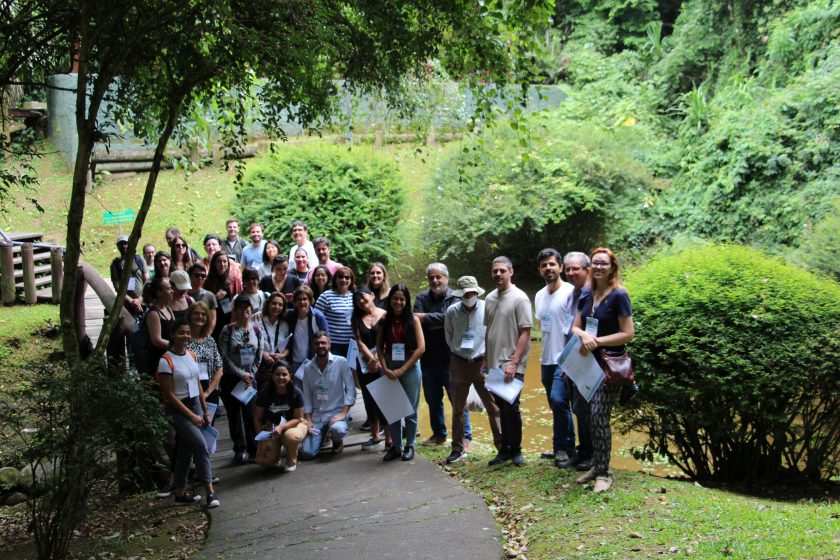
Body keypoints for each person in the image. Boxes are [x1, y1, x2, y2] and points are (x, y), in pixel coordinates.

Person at [571, 248, 634, 493]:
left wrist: (597, 341)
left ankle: (605, 473)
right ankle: (597, 466)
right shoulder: (586, 294)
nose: (598, 267)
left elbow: (628, 333)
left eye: (603, 263)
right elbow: (575, 327)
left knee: (599, 416)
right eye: (594, 263)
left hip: (608, 365)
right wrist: (585, 335)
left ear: (612, 267)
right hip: (585, 363)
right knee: (586, 413)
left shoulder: (619, 295)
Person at [156, 318, 220, 508]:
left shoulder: (191, 355)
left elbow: (198, 383)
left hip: (196, 404)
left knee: (185, 450)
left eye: (187, 333)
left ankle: (180, 493)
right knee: (200, 446)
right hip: (178, 408)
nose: (185, 336)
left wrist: (204, 409)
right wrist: (191, 415)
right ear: (173, 335)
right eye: (181, 333)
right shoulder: (166, 361)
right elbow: (169, 394)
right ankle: (210, 493)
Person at [443, 276, 502, 464]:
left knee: (493, 407)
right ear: (460, 295)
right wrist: (459, 352)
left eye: (472, 293)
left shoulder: (487, 308)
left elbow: (493, 334)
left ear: (477, 292)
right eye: (466, 293)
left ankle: (501, 447)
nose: (469, 296)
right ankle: (458, 448)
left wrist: (487, 357)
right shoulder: (452, 312)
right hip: (459, 364)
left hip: (482, 363)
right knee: (458, 409)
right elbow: (449, 336)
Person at [413, 263, 468, 447]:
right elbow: (415, 321)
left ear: (446, 278)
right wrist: (440, 320)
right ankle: (439, 434)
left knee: (457, 399)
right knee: (432, 400)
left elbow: (453, 319)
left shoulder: (455, 297)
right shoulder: (421, 297)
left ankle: (465, 437)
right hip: (428, 359)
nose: (435, 280)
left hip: (452, 359)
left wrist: (426, 318)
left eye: (439, 277)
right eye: (431, 277)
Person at [484, 256, 532, 467]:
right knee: (501, 406)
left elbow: (525, 332)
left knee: (512, 406)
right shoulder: (490, 299)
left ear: (511, 272)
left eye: (502, 270)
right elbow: (489, 331)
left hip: (512, 362)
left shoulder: (520, 298)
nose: (498, 274)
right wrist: (485, 359)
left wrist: (514, 362)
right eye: (495, 271)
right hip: (494, 362)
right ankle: (505, 448)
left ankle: (517, 450)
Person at [534, 248, 576, 467]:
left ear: (560, 267)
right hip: (546, 360)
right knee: (555, 404)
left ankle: (562, 448)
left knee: (560, 401)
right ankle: (567, 447)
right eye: (544, 265)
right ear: (540, 270)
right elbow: (542, 325)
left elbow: (574, 326)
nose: (548, 268)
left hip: (565, 359)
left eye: (552, 264)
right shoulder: (540, 295)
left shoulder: (570, 293)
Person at [377, 284, 426, 462]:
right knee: (393, 410)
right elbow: (379, 347)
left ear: (406, 301)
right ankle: (396, 446)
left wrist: (402, 369)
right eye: (395, 298)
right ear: (390, 300)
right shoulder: (385, 320)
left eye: (402, 299)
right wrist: (384, 367)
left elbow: (421, 348)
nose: (398, 302)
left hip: (410, 367)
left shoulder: (413, 320)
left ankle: (410, 445)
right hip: (389, 367)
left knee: (410, 410)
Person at [218, 295, 263, 464]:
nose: (244, 311)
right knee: (234, 415)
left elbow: (259, 354)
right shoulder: (227, 330)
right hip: (231, 378)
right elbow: (223, 355)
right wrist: (240, 374)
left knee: (251, 414)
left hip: (250, 379)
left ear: (251, 310)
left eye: (247, 308)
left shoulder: (256, 330)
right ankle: (239, 449)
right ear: (235, 310)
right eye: (240, 308)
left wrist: (250, 374)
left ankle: (254, 449)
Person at [299, 331, 356, 459]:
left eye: (323, 343)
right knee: (307, 453)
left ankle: (336, 440)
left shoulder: (341, 362)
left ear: (329, 344)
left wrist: (343, 413)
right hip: (317, 416)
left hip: (336, 413)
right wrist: (308, 419)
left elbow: (351, 389)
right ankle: (321, 436)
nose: (320, 346)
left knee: (338, 429)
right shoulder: (308, 367)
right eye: (317, 343)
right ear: (313, 346)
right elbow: (306, 395)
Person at [563, 251, 593, 471]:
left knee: (588, 409)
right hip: (573, 360)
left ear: (587, 270)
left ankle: (593, 455)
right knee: (578, 408)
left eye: (576, 269)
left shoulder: (592, 294)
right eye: (568, 269)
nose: (571, 273)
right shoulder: (571, 294)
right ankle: (583, 451)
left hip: (589, 360)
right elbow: (568, 330)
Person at [351, 286, 390, 451]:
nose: (361, 301)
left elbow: (390, 338)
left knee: (387, 400)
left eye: (363, 297)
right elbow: (359, 342)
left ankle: (389, 438)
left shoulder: (386, 314)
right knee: (369, 399)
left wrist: (378, 359)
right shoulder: (356, 318)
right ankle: (375, 435)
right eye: (357, 299)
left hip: (384, 362)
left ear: (372, 296)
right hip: (365, 363)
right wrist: (371, 359)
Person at [253, 364, 308, 471]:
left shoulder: (296, 393)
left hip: (294, 424)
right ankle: (278, 450)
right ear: (272, 376)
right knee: (264, 461)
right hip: (272, 426)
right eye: (277, 374)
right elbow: (257, 418)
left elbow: (298, 418)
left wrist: (281, 428)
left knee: (290, 436)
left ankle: (291, 461)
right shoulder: (265, 393)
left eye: (284, 374)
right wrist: (261, 437)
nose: (281, 377)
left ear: (290, 375)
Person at [186, 302, 224, 418]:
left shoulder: (210, 340)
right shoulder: (183, 339)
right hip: (189, 390)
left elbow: (219, 368)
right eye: (196, 313)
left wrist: (208, 392)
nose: (200, 317)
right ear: (189, 316)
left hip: (210, 389)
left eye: (203, 314)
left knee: (208, 428)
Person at [286, 285, 330, 373]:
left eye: (305, 299)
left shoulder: (318, 317)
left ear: (310, 300)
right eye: (299, 299)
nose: (302, 302)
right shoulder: (289, 315)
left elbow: (327, 339)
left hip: (313, 360)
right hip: (293, 361)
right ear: (294, 301)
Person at [313, 266, 355, 357]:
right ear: (335, 279)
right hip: (333, 343)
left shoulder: (355, 297)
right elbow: (315, 319)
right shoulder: (326, 296)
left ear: (351, 280)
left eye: (347, 277)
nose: (344, 280)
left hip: (352, 344)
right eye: (340, 277)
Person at [254, 292, 290, 386]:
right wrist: (262, 353)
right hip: (261, 367)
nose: (276, 307)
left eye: (280, 305)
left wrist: (282, 355)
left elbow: (289, 346)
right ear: (268, 304)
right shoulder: (257, 320)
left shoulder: (284, 325)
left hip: (279, 367)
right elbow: (251, 342)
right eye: (274, 303)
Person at [205, 252, 242, 340]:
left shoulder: (234, 279)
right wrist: (215, 297)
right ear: (214, 263)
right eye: (219, 261)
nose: (222, 264)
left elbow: (240, 299)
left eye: (224, 261)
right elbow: (204, 303)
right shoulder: (208, 281)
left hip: (231, 317)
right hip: (214, 318)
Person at [144, 276, 175, 376]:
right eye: (168, 288)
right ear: (159, 293)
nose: (172, 291)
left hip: (171, 356)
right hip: (159, 359)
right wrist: (176, 346)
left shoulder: (168, 309)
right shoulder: (154, 313)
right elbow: (156, 340)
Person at [110, 235, 146, 317]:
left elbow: (147, 281)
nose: (123, 246)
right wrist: (132, 301)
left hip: (144, 302)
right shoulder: (115, 264)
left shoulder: (139, 259)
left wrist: (140, 299)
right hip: (127, 305)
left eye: (125, 243)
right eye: (121, 244)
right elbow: (117, 288)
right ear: (117, 246)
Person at [186, 263, 218, 334]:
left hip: (204, 334)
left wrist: (207, 334)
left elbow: (213, 319)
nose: (200, 278)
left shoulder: (210, 295)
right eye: (197, 275)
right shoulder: (184, 295)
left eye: (203, 276)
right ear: (190, 276)